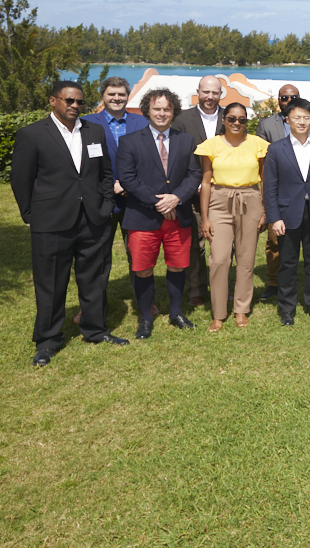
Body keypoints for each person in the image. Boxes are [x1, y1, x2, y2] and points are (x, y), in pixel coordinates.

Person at [11, 80, 127, 366]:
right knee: (51, 282)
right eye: (69, 101)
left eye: (79, 102)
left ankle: (95, 329)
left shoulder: (94, 131)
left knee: (95, 278)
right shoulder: (32, 134)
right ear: (53, 101)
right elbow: (21, 180)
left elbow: (104, 173)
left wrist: (105, 205)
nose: (75, 106)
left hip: (93, 219)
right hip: (51, 222)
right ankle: (48, 341)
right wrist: (31, 215)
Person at [115, 88, 202, 339]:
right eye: (157, 108)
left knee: (177, 266)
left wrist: (176, 198)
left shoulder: (186, 141)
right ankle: (145, 316)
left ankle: (176, 313)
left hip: (178, 215)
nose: (162, 113)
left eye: (167, 109)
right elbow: (128, 179)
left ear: (174, 111)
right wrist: (159, 203)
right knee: (142, 269)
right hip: (143, 217)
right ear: (147, 111)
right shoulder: (129, 141)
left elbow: (194, 174)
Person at [195, 102, 270, 332]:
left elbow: (265, 180)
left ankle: (241, 309)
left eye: (242, 119)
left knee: (246, 259)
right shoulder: (211, 145)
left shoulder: (258, 144)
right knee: (219, 259)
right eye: (232, 118)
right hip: (219, 201)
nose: (237, 123)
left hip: (250, 200)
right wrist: (205, 217)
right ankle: (218, 313)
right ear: (224, 120)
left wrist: (266, 210)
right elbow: (206, 182)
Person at [264, 98, 310, 325]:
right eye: (296, 117)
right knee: (287, 262)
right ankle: (287, 308)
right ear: (288, 120)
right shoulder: (276, 149)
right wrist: (274, 217)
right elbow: (270, 186)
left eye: (306, 117)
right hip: (287, 214)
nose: (302, 122)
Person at [81, 76, 148, 299]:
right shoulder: (86, 123)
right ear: (103, 96)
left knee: (138, 254)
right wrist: (110, 186)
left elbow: (149, 160)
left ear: (128, 96)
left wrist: (131, 185)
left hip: (135, 200)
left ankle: (146, 300)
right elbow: (82, 164)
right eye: (111, 94)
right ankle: (91, 307)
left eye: (121, 94)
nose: (116, 98)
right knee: (96, 255)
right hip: (101, 200)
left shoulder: (143, 123)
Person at [173, 75, 225, 306]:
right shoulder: (182, 119)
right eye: (206, 92)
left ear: (221, 94)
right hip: (192, 192)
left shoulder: (231, 117)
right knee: (195, 243)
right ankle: (196, 289)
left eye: (214, 93)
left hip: (223, 192)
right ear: (198, 92)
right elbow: (175, 155)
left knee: (223, 244)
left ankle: (220, 286)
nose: (210, 97)